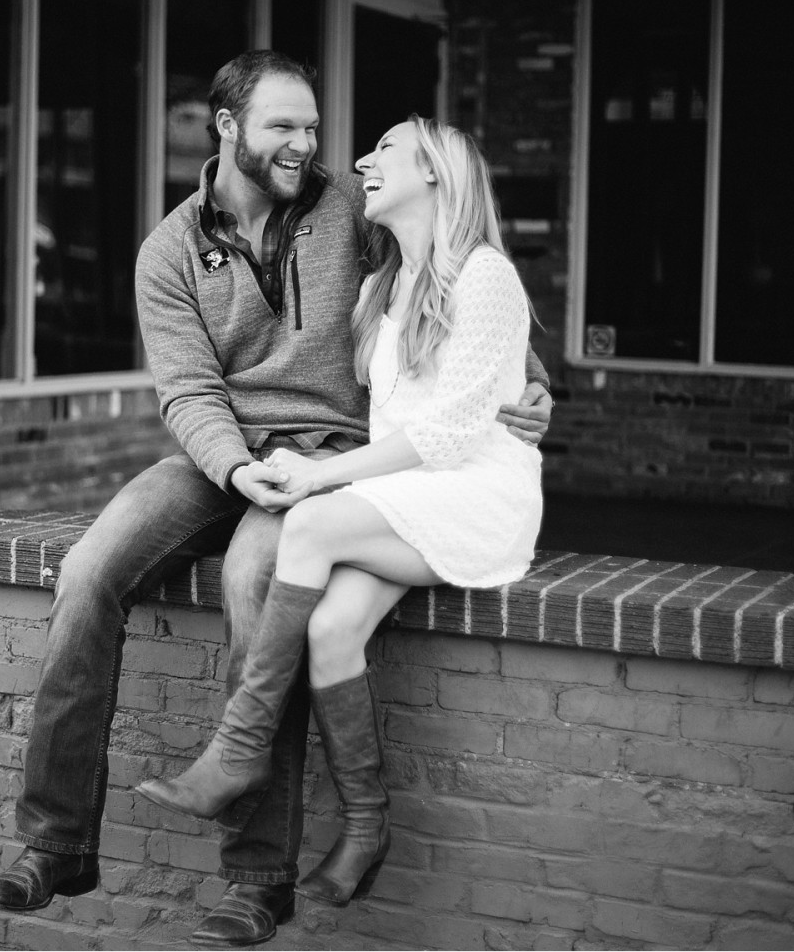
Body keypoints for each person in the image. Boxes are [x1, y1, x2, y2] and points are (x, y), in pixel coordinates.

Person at [0, 52, 553, 948]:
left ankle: (256, 880)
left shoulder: (349, 211)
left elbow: (451, 285)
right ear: (227, 125)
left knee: (255, 576)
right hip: (225, 459)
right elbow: (188, 392)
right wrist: (237, 470)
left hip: (334, 457)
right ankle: (54, 843)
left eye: (312, 127)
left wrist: (533, 382)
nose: (307, 145)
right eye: (284, 127)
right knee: (87, 570)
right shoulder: (168, 251)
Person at [136, 116, 543, 910]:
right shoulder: (383, 287)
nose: (360, 161)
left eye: (384, 149)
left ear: (436, 173)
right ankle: (367, 826)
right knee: (328, 628)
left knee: (312, 523)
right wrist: (322, 473)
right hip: (409, 493)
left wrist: (324, 478)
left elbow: (450, 432)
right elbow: (398, 423)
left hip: (476, 492)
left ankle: (240, 746)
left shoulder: (486, 275)